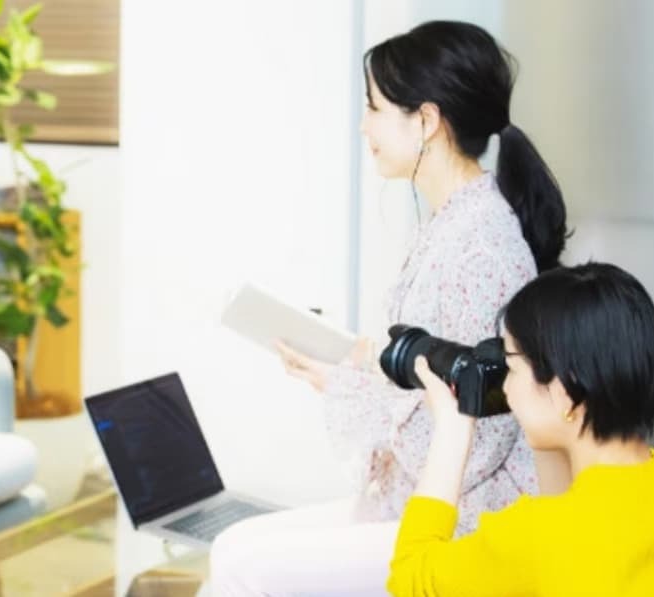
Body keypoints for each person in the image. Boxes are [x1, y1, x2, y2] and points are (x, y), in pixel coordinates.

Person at [210, 21, 568, 595]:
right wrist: (352, 361)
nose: (364, 126)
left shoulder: (481, 244)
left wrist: (345, 386)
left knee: (241, 565)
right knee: (232, 547)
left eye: (374, 108)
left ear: (426, 120)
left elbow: (481, 436)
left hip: (464, 520)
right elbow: (435, 371)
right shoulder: (456, 221)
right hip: (425, 497)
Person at [389, 262, 654, 596]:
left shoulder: (530, 538)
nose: (505, 388)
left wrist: (452, 431)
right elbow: (572, 529)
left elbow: (408, 576)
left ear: (564, 392)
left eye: (511, 368)